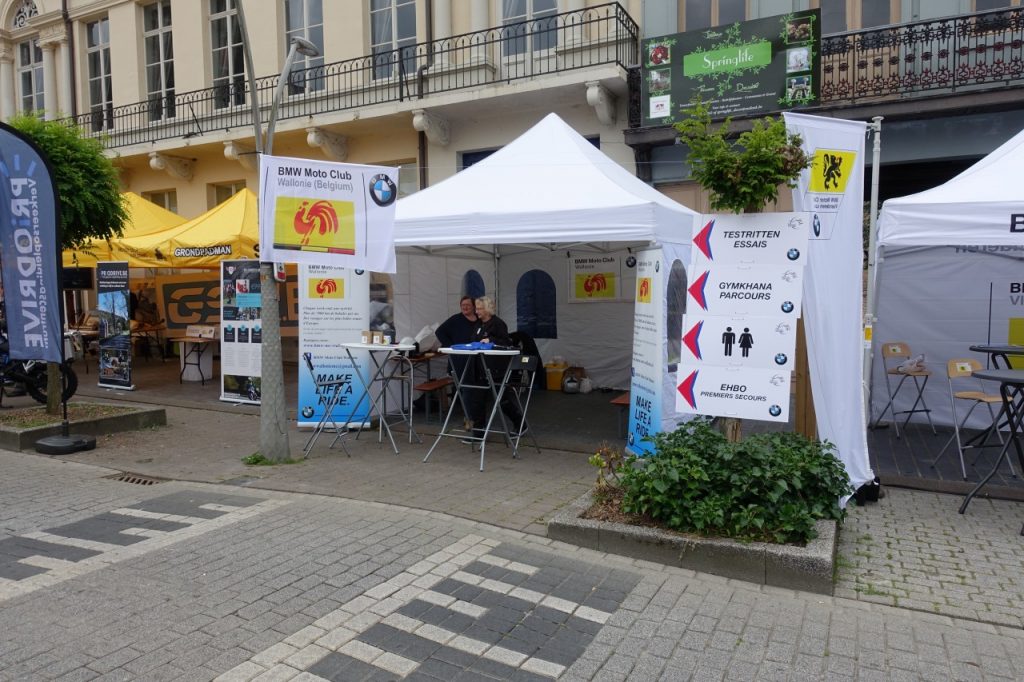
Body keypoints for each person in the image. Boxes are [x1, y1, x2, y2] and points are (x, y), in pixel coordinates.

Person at [464, 296, 521, 442]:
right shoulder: (478, 324)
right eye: (476, 308)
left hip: (494, 369)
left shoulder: (498, 324)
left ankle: (520, 424)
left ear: (488, 309)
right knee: (477, 400)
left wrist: (491, 341)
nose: (477, 312)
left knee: (503, 400)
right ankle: (478, 433)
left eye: (479, 308)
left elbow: (506, 342)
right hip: (478, 367)